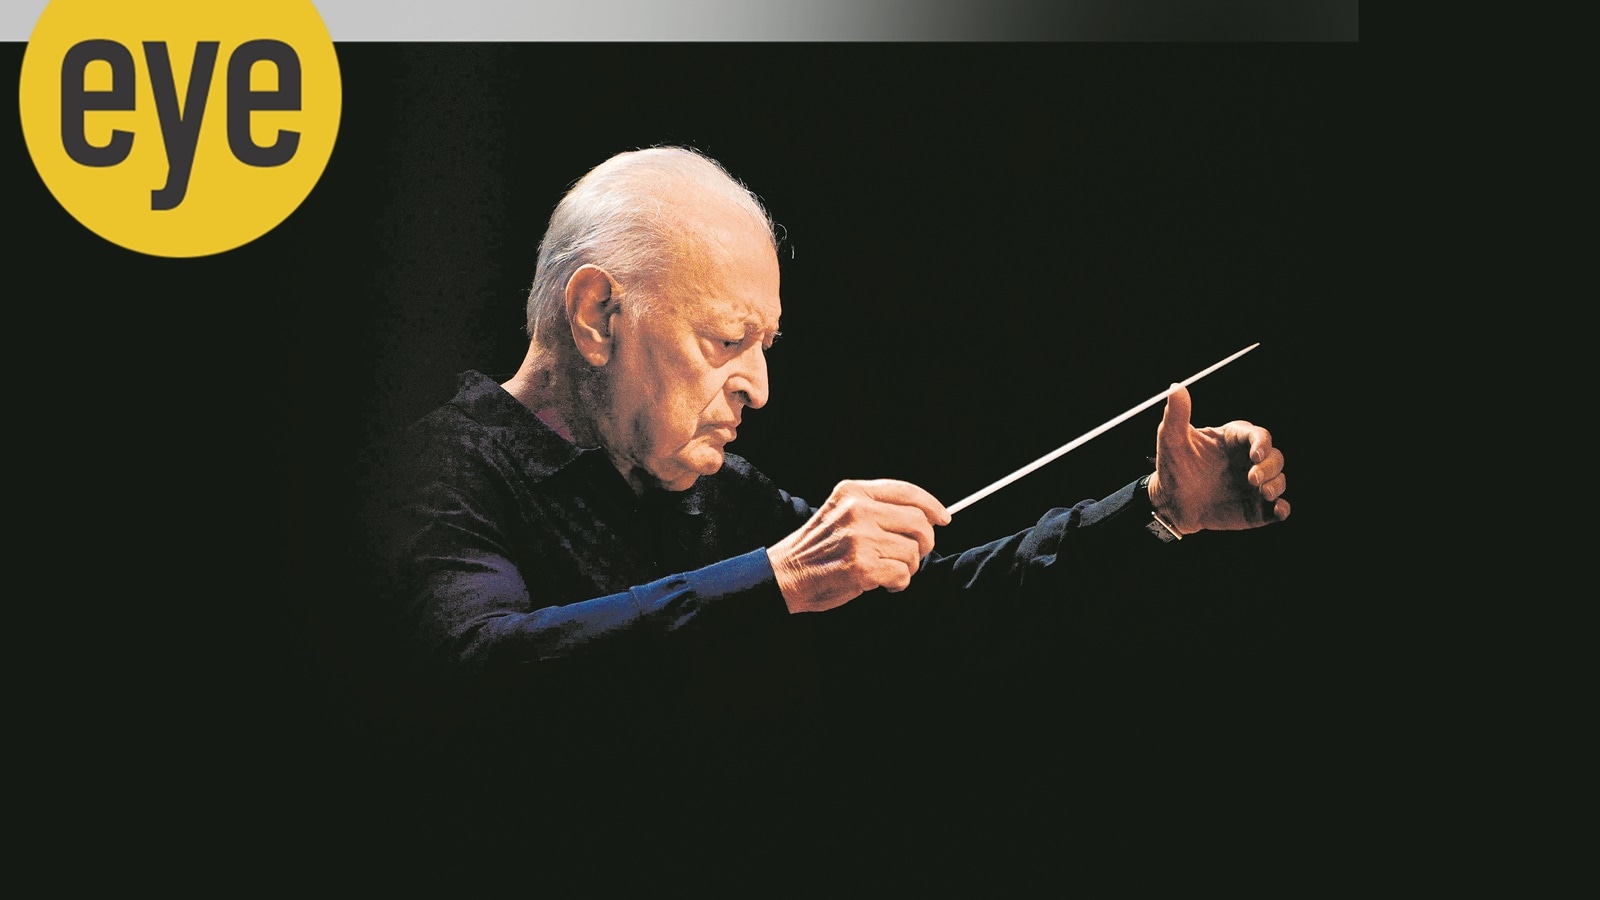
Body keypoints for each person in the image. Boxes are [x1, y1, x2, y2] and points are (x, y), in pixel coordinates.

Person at [370, 145, 1290, 792]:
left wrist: (1155, 510)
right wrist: (776, 580)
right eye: (727, 339)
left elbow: (927, 616)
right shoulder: (438, 468)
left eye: (765, 345)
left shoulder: (713, 492)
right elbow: (472, 679)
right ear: (597, 316)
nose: (758, 386)